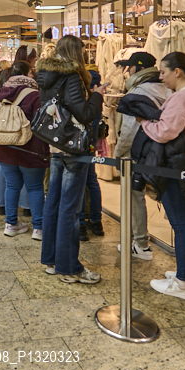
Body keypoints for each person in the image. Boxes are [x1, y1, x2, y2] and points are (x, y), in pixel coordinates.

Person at [140, 52, 185, 301]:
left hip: (175, 166)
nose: (161, 77)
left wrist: (144, 122)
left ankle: (183, 282)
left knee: (181, 225)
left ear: (178, 72)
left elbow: (165, 132)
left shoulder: (182, 98)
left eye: (163, 72)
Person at [37, 37, 106, 284]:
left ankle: (53, 260)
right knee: (70, 208)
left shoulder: (46, 75)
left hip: (55, 145)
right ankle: (69, 268)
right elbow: (84, 113)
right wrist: (97, 95)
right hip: (73, 149)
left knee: (53, 203)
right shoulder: (72, 76)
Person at [114, 52, 171, 260]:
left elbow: (129, 130)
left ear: (138, 69)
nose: (126, 71)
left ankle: (140, 244)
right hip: (160, 151)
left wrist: (118, 154)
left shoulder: (138, 92)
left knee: (133, 196)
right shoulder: (167, 88)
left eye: (129, 67)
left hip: (137, 152)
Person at [0, 60, 49, 238]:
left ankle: (11, 224)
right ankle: (38, 228)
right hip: (29, 149)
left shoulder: (1, 92)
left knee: (11, 186)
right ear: (28, 74)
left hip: (4, 147)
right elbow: (41, 123)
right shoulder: (35, 94)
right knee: (35, 187)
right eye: (31, 72)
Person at [79, 59, 104, 241]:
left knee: (80, 181)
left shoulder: (82, 83)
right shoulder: (97, 87)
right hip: (92, 136)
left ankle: (80, 224)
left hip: (79, 137)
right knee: (92, 180)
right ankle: (96, 221)